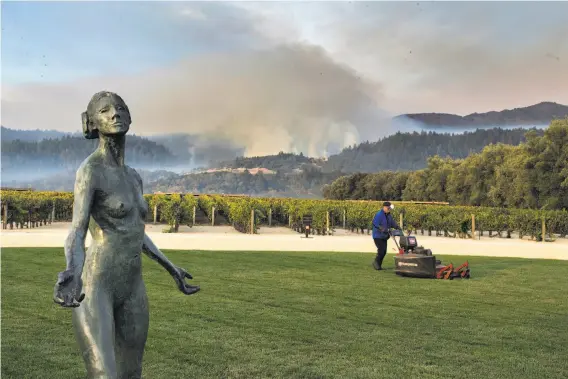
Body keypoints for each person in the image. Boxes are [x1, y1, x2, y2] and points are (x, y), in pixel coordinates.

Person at [52, 91, 200, 379]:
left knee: (132, 374)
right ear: (91, 123)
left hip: (133, 287)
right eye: (105, 111)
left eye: (119, 108)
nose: (115, 114)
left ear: (130, 118)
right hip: (97, 286)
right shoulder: (90, 171)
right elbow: (77, 230)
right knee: (104, 374)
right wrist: (72, 271)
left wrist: (171, 267)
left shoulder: (133, 177)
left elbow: (135, 230)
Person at [371, 201, 400, 270]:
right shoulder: (379, 214)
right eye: (388, 208)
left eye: (389, 208)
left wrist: (397, 227)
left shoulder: (388, 215)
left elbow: (392, 222)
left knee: (384, 251)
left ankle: (378, 264)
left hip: (384, 236)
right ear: (384, 207)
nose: (389, 209)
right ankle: (376, 263)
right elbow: (375, 223)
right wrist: (383, 229)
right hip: (378, 236)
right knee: (381, 250)